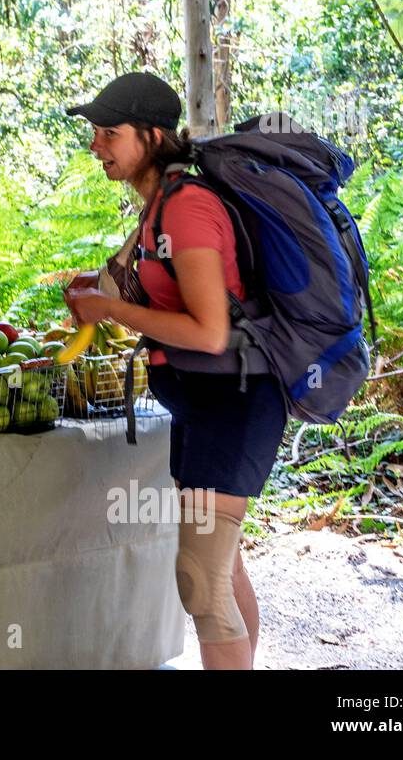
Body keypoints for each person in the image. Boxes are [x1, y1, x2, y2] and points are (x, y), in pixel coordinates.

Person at [63, 71, 287, 670]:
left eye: (109, 133)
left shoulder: (186, 208)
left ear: (153, 135)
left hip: (232, 402)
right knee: (222, 570)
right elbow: (158, 296)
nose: (96, 145)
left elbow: (210, 332)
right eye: (95, 133)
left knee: (202, 584)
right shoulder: (158, 207)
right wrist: (99, 290)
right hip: (201, 402)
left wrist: (110, 308)